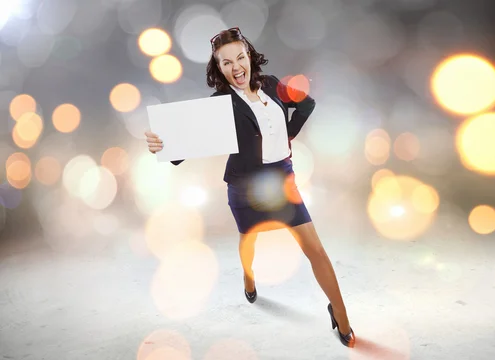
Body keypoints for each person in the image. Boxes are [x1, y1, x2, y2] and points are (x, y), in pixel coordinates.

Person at [144, 27, 355, 347]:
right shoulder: (220, 104)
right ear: (219, 68)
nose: (235, 66)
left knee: (315, 249)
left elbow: (307, 104)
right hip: (243, 186)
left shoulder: (270, 84)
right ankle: (248, 277)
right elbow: (184, 147)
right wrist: (163, 146)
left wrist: (287, 135)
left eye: (240, 57)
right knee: (249, 237)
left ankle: (341, 315)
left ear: (249, 58)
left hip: (282, 181)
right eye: (226, 62)